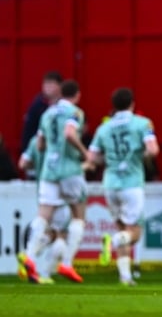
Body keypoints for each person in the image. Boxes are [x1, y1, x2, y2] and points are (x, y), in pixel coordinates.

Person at [87, 87, 159, 286]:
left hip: (110, 184)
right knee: (133, 232)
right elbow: (153, 150)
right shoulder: (142, 123)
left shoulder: (104, 128)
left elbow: (92, 158)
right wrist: (139, 156)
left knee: (121, 228)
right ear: (132, 103)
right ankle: (116, 241)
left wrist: (112, 159)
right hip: (131, 183)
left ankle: (125, 277)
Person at [19, 79, 88, 284]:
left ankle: (30, 256)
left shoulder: (47, 114)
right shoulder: (75, 113)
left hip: (49, 171)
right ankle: (67, 263)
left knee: (43, 214)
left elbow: (39, 145)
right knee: (78, 215)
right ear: (77, 95)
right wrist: (84, 152)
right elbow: (69, 133)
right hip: (70, 170)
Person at [17, 135, 71, 284]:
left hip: (42, 190)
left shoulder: (35, 140)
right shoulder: (63, 140)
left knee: (50, 233)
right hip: (60, 190)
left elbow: (23, 164)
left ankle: (29, 257)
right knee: (61, 234)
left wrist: (39, 164)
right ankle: (44, 273)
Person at [21, 71, 63, 155]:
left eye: (50, 84)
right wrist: (26, 151)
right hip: (40, 149)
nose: (47, 88)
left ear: (60, 86)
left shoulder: (65, 106)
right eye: (45, 84)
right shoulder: (37, 105)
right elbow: (28, 130)